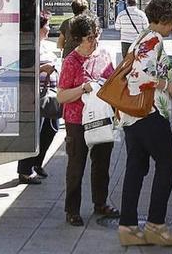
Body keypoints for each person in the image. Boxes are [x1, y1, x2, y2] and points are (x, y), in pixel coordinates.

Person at [117, 0, 172, 247]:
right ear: (165, 19)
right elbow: (137, 76)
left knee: (136, 167)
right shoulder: (153, 39)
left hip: (133, 115)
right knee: (167, 162)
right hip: (149, 113)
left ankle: (129, 228)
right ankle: (155, 225)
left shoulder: (143, 37)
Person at [56, 13, 120, 226]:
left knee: (102, 163)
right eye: (90, 37)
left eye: (96, 35)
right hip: (76, 121)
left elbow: (112, 83)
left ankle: (100, 203)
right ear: (78, 39)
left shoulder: (103, 54)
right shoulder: (71, 62)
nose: (95, 41)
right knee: (76, 165)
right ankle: (72, 210)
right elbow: (62, 96)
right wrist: (83, 88)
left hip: (102, 117)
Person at [17, 10, 60, 184]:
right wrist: (42, 69)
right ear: (38, 28)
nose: (49, 29)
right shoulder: (27, 47)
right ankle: (25, 170)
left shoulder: (45, 45)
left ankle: (37, 162)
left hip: (49, 94)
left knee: (52, 128)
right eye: (46, 25)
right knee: (34, 132)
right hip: (32, 95)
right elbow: (20, 71)